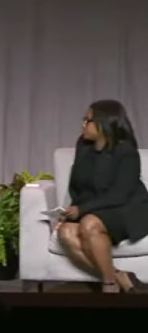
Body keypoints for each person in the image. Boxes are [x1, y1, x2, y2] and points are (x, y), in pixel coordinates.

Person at [56, 99, 148, 293]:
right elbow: (78, 186)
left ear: (104, 123)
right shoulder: (83, 145)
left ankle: (108, 286)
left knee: (89, 224)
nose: (83, 125)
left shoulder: (126, 152)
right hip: (95, 209)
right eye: (83, 120)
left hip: (127, 209)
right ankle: (116, 277)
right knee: (65, 232)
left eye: (88, 121)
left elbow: (119, 195)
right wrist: (70, 214)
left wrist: (82, 210)